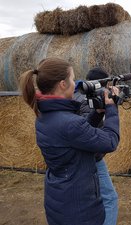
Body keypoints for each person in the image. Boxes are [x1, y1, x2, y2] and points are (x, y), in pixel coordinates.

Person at [18, 57, 120, 225]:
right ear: (63, 84)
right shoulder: (69, 122)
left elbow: (77, 136)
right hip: (79, 210)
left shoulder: (46, 116)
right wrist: (111, 109)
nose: (75, 83)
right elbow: (110, 141)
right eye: (72, 79)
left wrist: (98, 112)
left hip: (60, 201)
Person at [73, 67, 119, 225]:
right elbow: (91, 132)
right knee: (110, 199)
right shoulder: (86, 101)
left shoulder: (78, 95)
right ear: (101, 84)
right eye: (106, 84)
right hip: (91, 157)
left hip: (83, 157)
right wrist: (110, 107)